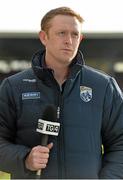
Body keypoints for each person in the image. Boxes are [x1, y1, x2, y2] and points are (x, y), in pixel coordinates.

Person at [0, 6, 123, 179]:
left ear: (80, 39)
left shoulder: (104, 86)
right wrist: (25, 159)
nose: (69, 40)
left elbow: (120, 142)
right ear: (44, 37)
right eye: (61, 33)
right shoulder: (13, 87)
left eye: (74, 34)